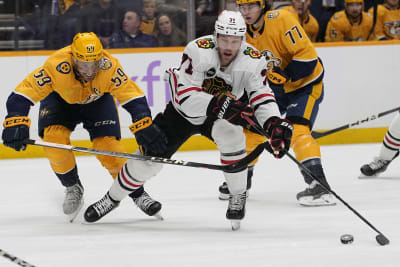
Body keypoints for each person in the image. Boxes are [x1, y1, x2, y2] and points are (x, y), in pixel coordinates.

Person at [83, 10, 293, 230]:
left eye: (235, 40)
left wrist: (272, 123)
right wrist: (218, 104)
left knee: (233, 138)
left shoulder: (253, 59)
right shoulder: (197, 50)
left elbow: (262, 95)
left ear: (243, 39)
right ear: (215, 36)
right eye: (224, 40)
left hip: (219, 116)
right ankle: (112, 198)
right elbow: (184, 96)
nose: (229, 47)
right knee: (147, 161)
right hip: (182, 114)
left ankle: (238, 195)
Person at [1, 32, 168, 222]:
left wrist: (143, 123)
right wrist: (15, 119)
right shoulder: (56, 65)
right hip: (60, 102)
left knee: (109, 147)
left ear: (100, 58)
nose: (89, 71)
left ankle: (137, 193)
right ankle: (72, 186)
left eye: (94, 63)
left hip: (98, 102)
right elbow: (22, 94)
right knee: (53, 141)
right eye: (83, 64)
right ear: (73, 58)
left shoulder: (109, 66)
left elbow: (132, 97)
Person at [218, 0, 336, 207]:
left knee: (297, 130)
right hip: (276, 90)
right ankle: (241, 181)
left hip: (305, 86)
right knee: (251, 129)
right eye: (242, 7)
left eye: (251, 6)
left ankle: (319, 185)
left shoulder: (281, 19)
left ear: (263, 5)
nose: (246, 12)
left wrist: (286, 76)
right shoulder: (241, 34)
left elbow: (308, 60)